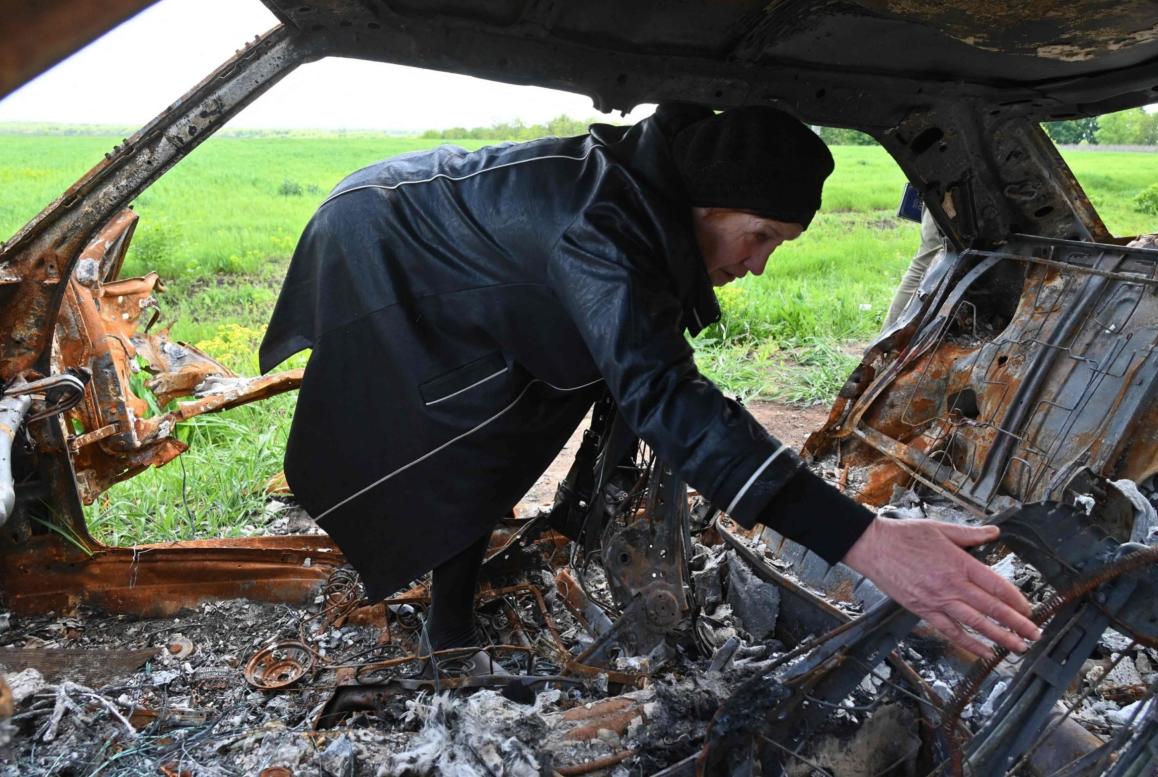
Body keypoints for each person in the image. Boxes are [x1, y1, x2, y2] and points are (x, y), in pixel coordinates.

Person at [260, 104, 1040, 670]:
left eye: (779, 243)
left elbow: (653, 370)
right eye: (759, 235)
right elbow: (666, 396)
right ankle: (447, 620)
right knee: (458, 430)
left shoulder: (647, 205)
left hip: (448, 246)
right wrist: (865, 540)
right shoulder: (602, 230)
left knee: (513, 420)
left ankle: (451, 609)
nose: (759, 262)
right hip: (385, 242)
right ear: (705, 205)